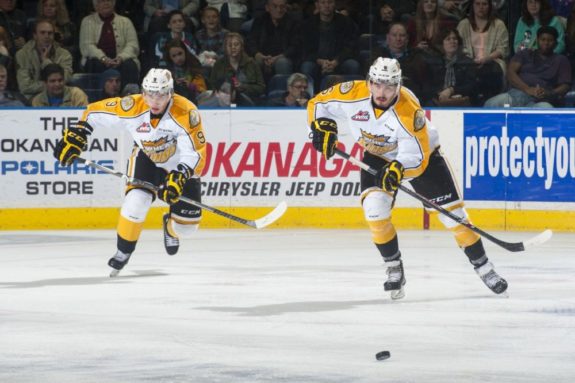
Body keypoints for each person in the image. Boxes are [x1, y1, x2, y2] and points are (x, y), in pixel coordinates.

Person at [308, 57, 508, 299]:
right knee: (374, 210)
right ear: (369, 82)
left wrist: (397, 168)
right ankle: (394, 269)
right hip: (376, 154)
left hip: (422, 159)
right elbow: (318, 103)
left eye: (390, 86)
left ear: (398, 86)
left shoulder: (408, 110)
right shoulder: (352, 93)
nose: (382, 92)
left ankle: (484, 267)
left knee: (454, 218)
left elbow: (417, 154)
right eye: (378, 85)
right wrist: (323, 127)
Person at [53, 68, 208, 276]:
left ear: (170, 93)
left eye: (161, 94)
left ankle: (170, 227)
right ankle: (123, 252)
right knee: (136, 202)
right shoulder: (131, 106)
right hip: (147, 159)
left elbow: (196, 152)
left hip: (179, 164)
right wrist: (78, 134)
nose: (155, 100)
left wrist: (179, 177)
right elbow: (92, 112)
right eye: (150, 93)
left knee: (187, 228)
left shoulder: (186, 112)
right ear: (143, 92)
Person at [485, 25, 571, 107]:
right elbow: (510, 73)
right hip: (516, 95)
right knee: (492, 103)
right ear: (537, 40)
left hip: (541, 101)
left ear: (556, 43)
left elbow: (565, 86)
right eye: (543, 39)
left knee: (547, 110)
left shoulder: (561, 60)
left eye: (550, 40)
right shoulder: (525, 53)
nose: (546, 43)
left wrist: (549, 93)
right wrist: (527, 89)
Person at [79, 0, 140, 87]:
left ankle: (128, 96)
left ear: (114, 3)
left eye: (109, 0)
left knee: (129, 65)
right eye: (101, 1)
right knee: (93, 64)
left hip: (121, 61)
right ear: (96, 5)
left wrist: (120, 58)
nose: (106, 3)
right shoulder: (87, 21)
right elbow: (87, 46)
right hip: (99, 61)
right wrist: (103, 58)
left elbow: (132, 45)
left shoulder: (126, 22)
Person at [15, 18, 73, 101]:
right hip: (31, 98)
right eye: (42, 33)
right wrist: (52, 85)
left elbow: (66, 79)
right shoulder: (23, 54)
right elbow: (24, 86)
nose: (46, 36)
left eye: (50, 33)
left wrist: (46, 62)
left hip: (58, 97)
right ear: (35, 35)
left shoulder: (64, 55)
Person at [419, 28, 477, 106]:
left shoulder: (467, 62)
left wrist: (451, 90)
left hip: (461, 100)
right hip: (438, 100)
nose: (452, 41)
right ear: (442, 44)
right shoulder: (434, 63)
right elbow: (427, 86)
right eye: (448, 39)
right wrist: (440, 94)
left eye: (455, 39)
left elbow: (471, 85)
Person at [209, 32, 265, 106]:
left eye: (236, 44)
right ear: (225, 48)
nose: (233, 47)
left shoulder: (252, 64)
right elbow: (212, 85)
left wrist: (243, 86)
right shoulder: (219, 64)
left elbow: (261, 88)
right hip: (223, 102)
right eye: (229, 45)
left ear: (242, 47)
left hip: (248, 102)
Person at [162, 38, 207, 103]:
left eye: (180, 54)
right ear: (170, 58)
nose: (178, 58)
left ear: (185, 52)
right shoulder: (167, 72)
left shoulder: (195, 65)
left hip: (195, 100)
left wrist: (190, 86)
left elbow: (202, 90)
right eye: (174, 56)